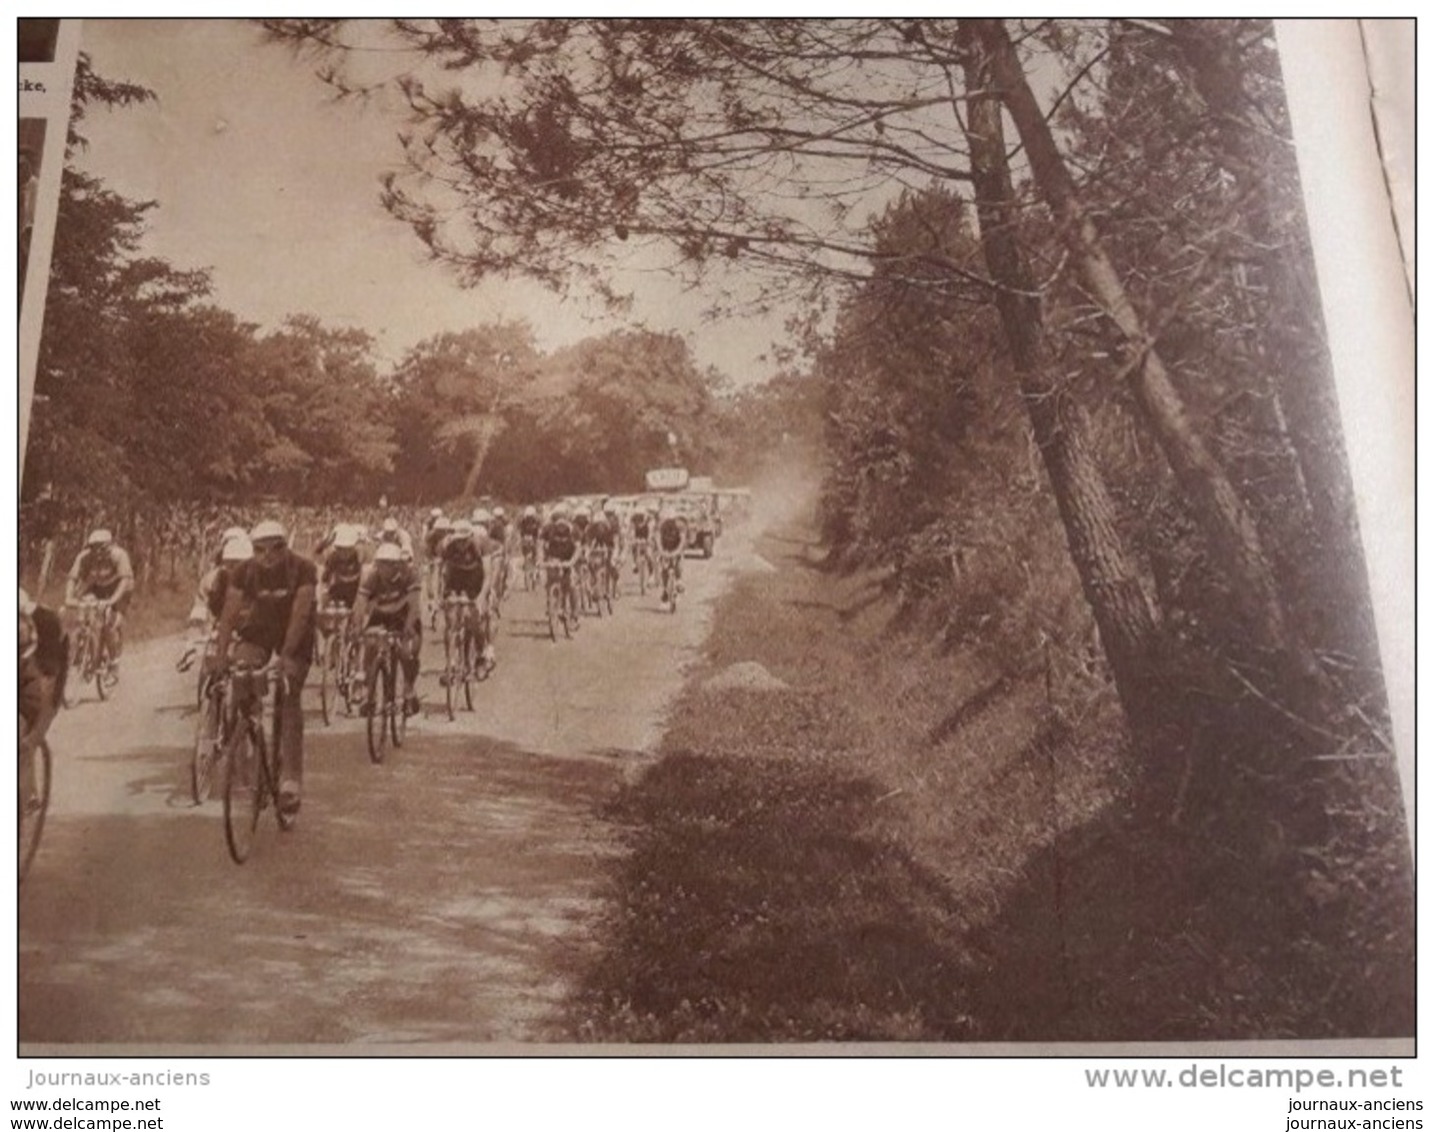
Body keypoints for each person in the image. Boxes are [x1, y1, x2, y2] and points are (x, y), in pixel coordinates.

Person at [212, 520, 317, 820]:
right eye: (260, 550)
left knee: (289, 690)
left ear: (286, 547)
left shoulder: (303, 569)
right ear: (253, 550)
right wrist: (222, 656)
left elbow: (300, 614)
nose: (268, 556)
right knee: (241, 673)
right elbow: (229, 615)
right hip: (260, 630)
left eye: (276, 548)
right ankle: (249, 736)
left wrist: (284, 656)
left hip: (296, 635)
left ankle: (290, 779)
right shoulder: (243, 571)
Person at [351, 542, 423, 717]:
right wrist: (357, 626)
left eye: (387, 564)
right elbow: (360, 603)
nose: (383, 568)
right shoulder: (373, 576)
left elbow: (414, 605)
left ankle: (408, 690)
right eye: (380, 564)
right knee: (370, 646)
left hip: (405, 616)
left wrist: (407, 628)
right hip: (381, 615)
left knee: (407, 653)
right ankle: (371, 697)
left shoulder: (409, 575)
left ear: (397, 564)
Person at [64, 528, 135, 673]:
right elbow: (72, 578)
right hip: (97, 586)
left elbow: (124, 581)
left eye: (101, 548)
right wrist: (69, 597)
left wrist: (112, 601)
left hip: (121, 589)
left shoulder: (119, 555)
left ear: (109, 546)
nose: (97, 552)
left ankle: (114, 661)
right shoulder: (84, 557)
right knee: (84, 614)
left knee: (110, 623)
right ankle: (85, 648)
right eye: (93, 548)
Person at [20, 588, 68, 755]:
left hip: (42, 678)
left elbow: (51, 681)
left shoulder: (46, 622)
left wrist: (33, 738)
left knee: (24, 746)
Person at [540, 504, 582, 625]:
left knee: (572, 585)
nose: (560, 519)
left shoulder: (573, 529)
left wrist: (572, 562)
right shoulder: (548, 529)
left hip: (569, 559)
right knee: (550, 582)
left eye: (562, 516)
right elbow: (540, 545)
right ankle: (552, 606)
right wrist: (540, 560)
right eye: (557, 516)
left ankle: (575, 615)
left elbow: (578, 548)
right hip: (553, 558)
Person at [656, 505, 689, 600]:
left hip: (677, 547)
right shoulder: (661, 526)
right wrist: (661, 551)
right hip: (666, 548)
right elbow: (658, 539)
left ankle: (679, 580)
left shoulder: (680, 526)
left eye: (671, 520)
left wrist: (677, 551)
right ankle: (665, 589)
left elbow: (682, 541)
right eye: (667, 520)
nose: (669, 522)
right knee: (664, 569)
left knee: (678, 563)